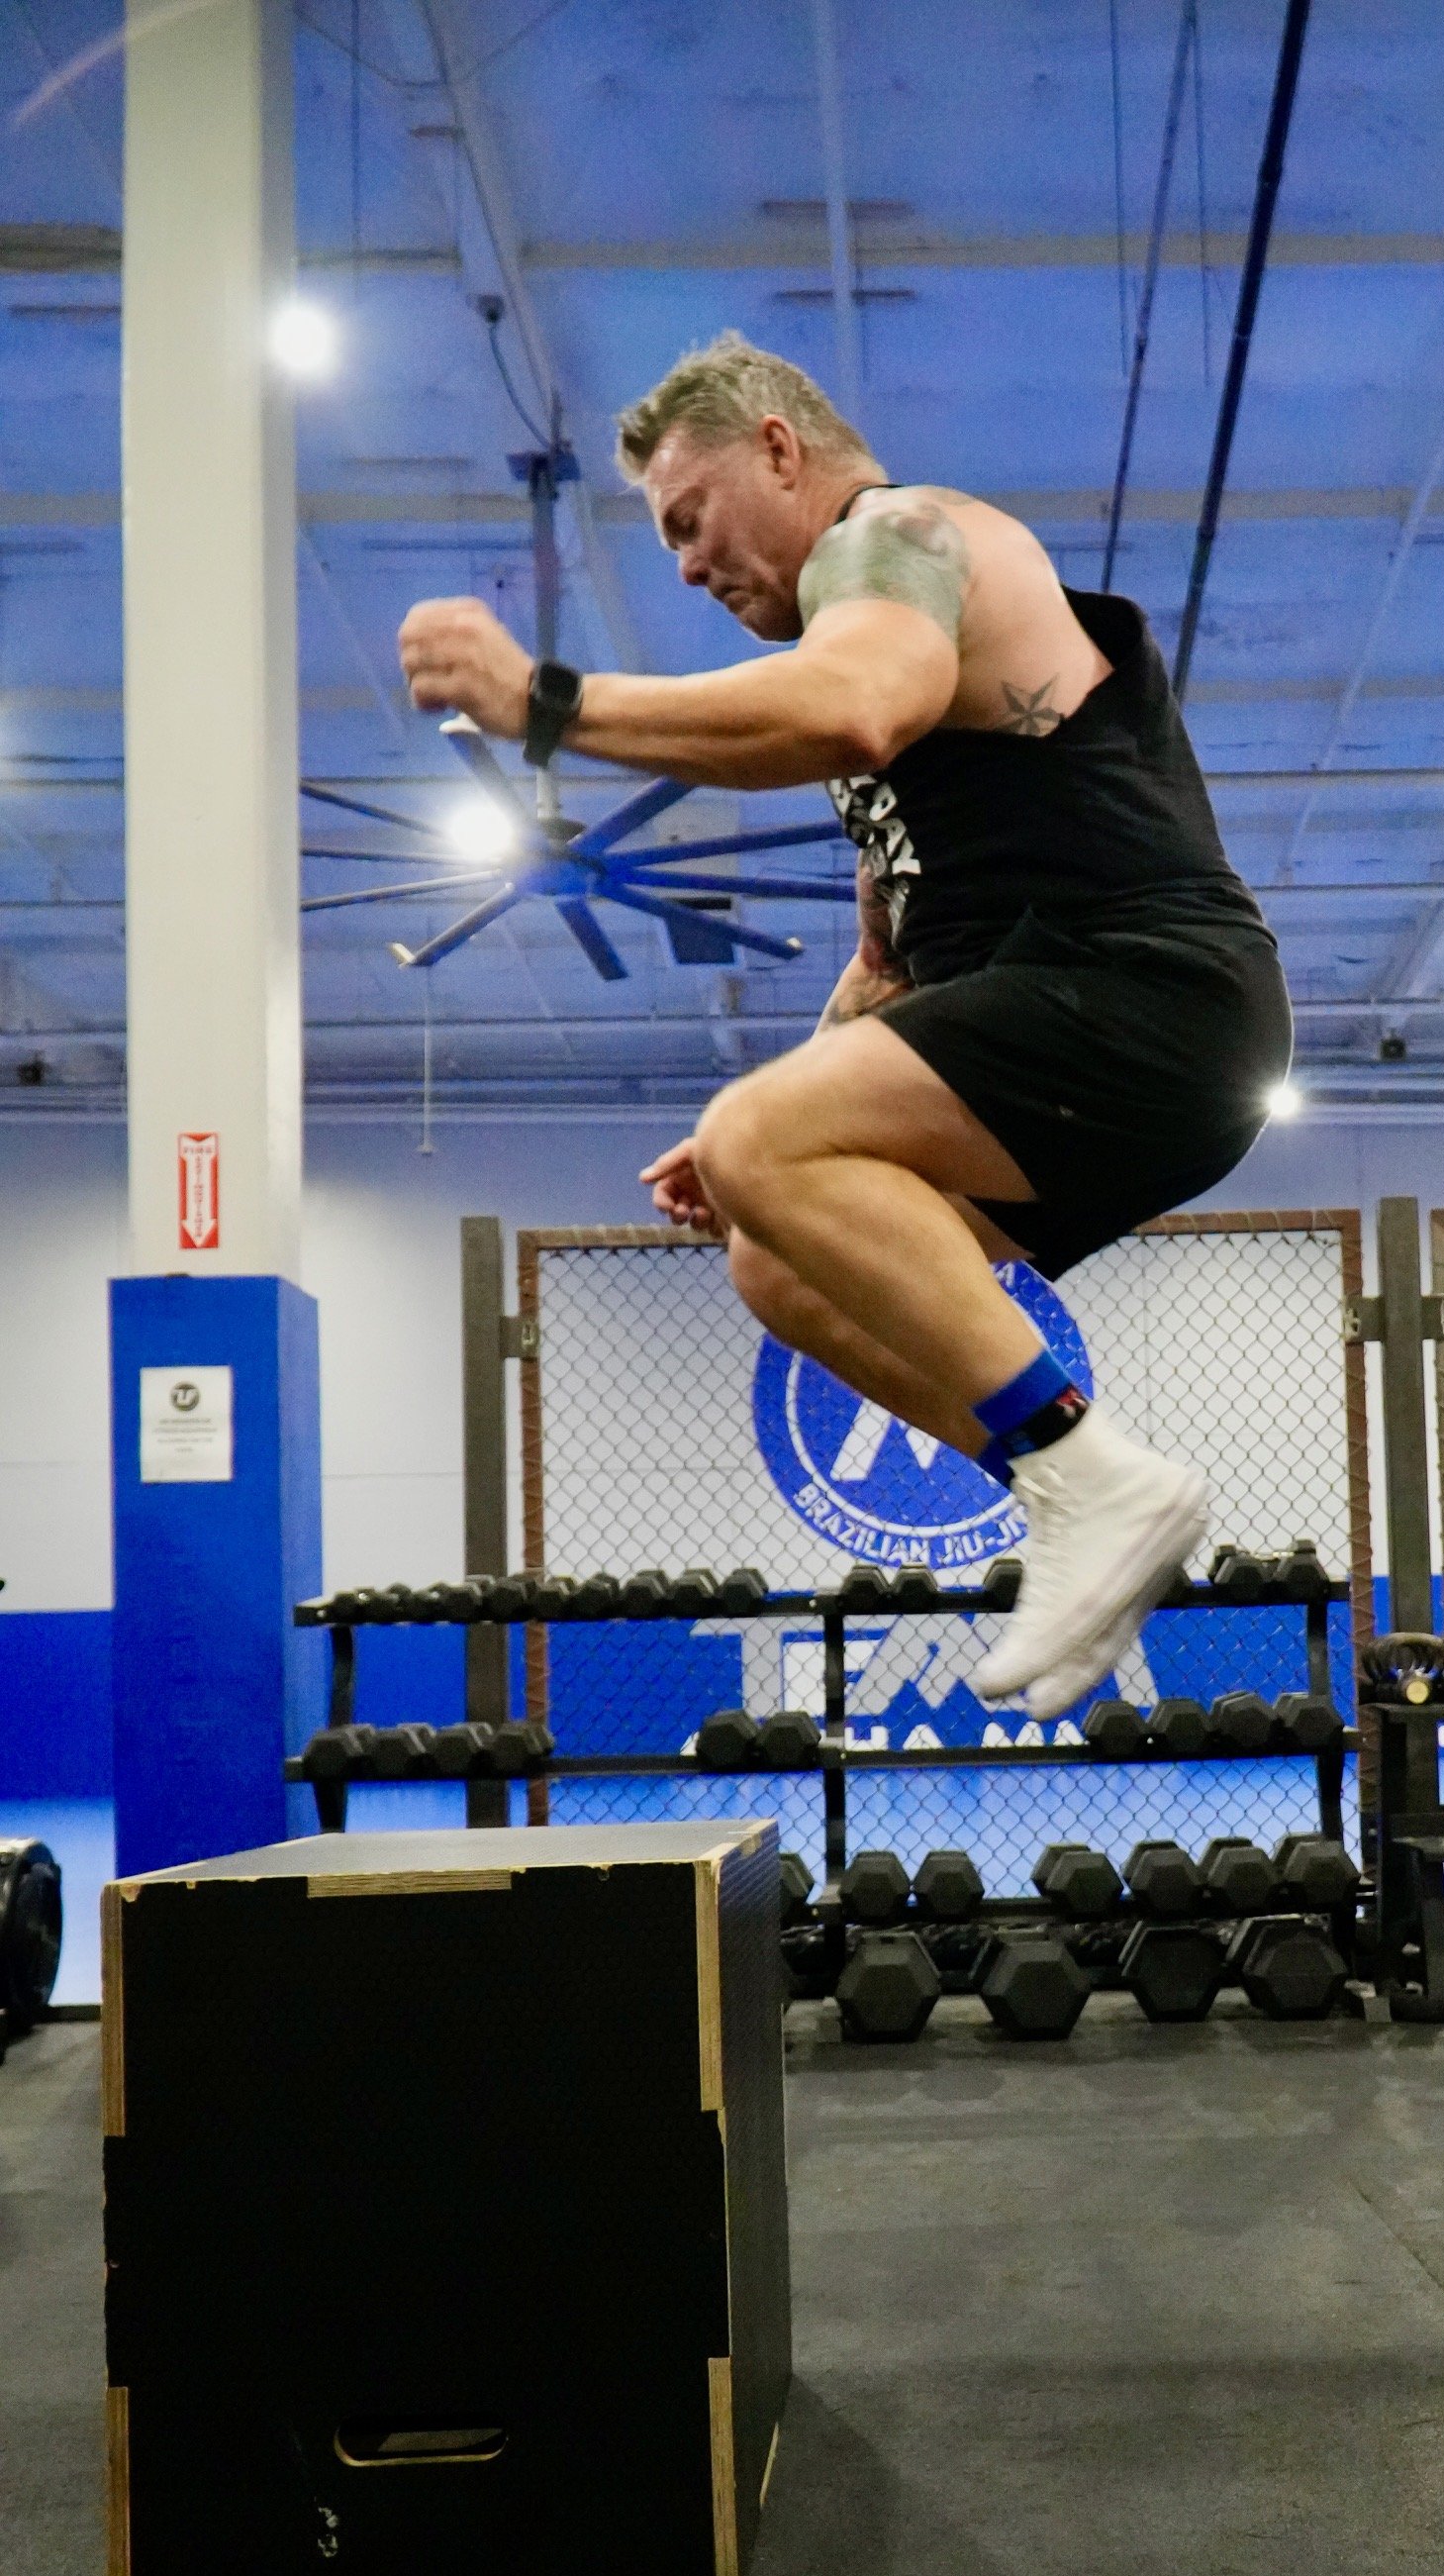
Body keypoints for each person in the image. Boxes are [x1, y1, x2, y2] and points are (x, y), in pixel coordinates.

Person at [396, 334, 1292, 1719]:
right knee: (775, 1262)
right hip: (1124, 1045)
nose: (687, 567)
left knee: (759, 1140)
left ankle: (1101, 1483)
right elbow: (887, 959)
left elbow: (854, 710)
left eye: (690, 521)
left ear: (777, 448)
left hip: (1151, 992)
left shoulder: (900, 538)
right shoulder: (892, 639)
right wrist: (785, 1133)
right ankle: (1072, 1494)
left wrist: (547, 704)